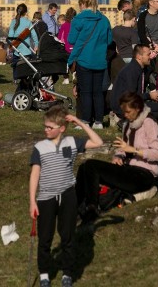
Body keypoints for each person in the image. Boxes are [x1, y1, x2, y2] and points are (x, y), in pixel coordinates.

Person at [29, 105, 103, 287]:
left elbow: (98, 142)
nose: (46, 130)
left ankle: (67, 273)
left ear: (61, 128)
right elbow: (35, 175)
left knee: (67, 236)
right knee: (45, 238)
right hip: (46, 198)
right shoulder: (39, 147)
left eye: (50, 127)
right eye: (45, 126)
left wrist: (78, 121)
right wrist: (32, 201)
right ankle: (45, 274)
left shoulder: (72, 142)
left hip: (68, 196)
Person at [76, 92, 158, 223]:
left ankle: (92, 209)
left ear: (138, 109)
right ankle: (76, 207)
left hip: (143, 175)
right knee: (84, 167)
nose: (125, 115)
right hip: (128, 169)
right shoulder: (128, 125)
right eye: (124, 112)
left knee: (91, 165)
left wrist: (134, 150)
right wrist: (118, 156)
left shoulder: (149, 123)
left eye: (128, 112)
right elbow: (122, 148)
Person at [67, 0, 113, 129]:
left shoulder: (78, 19)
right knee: (98, 92)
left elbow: (71, 40)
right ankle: (98, 121)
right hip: (100, 60)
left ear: (82, 4)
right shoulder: (104, 20)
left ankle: (86, 120)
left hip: (84, 59)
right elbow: (109, 40)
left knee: (86, 92)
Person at [109, 44, 158, 124]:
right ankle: (127, 120)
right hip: (125, 106)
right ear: (139, 56)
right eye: (148, 54)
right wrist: (149, 95)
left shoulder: (139, 68)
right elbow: (132, 95)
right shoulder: (131, 70)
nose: (150, 56)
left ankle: (130, 121)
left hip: (133, 103)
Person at [8, 3, 38, 80]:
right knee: (27, 65)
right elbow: (34, 35)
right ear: (25, 12)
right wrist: (36, 45)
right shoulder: (28, 22)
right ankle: (26, 78)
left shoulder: (13, 22)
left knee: (15, 65)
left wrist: (12, 45)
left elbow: (10, 34)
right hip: (26, 49)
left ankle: (15, 79)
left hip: (16, 48)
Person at [57, 7, 77, 85]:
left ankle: (66, 78)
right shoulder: (76, 24)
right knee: (74, 62)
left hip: (66, 47)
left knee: (65, 63)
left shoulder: (64, 25)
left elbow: (59, 37)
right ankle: (74, 74)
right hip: (75, 46)